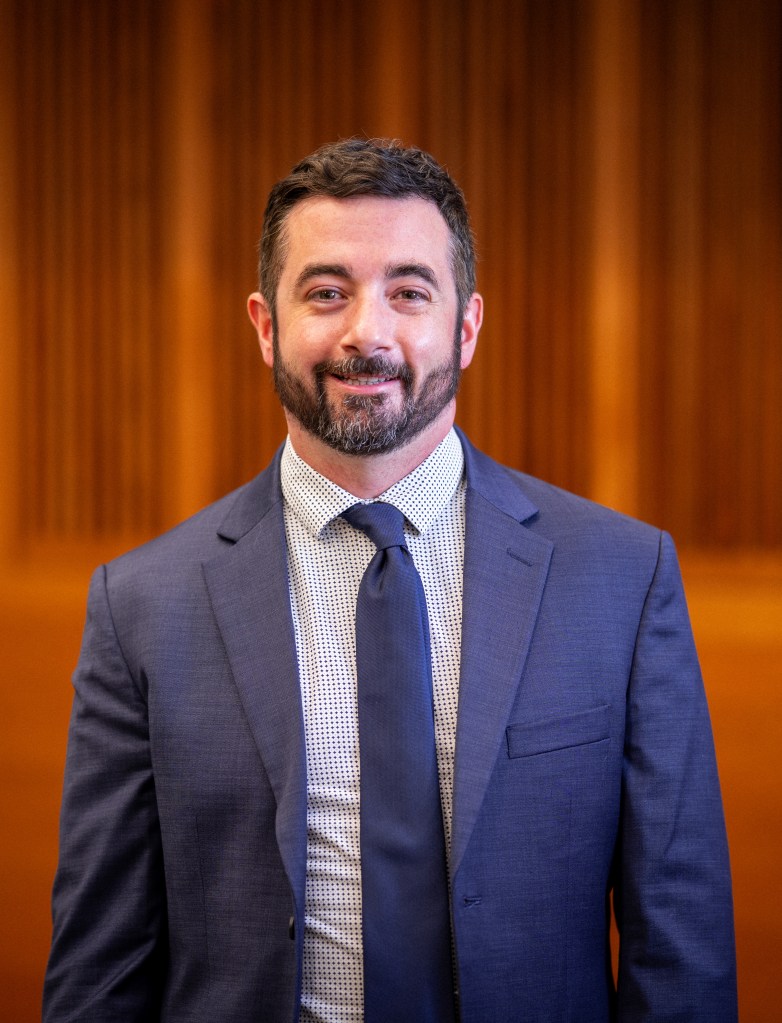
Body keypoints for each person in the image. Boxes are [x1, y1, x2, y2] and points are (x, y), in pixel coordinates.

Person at [43, 138, 737, 1022]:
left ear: (467, 325)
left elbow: (679, 948)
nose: (366, 332)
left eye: (409, 292)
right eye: (326, 292)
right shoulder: (140, 606)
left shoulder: (623, 581)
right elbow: (100, 970)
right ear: (265, 326)